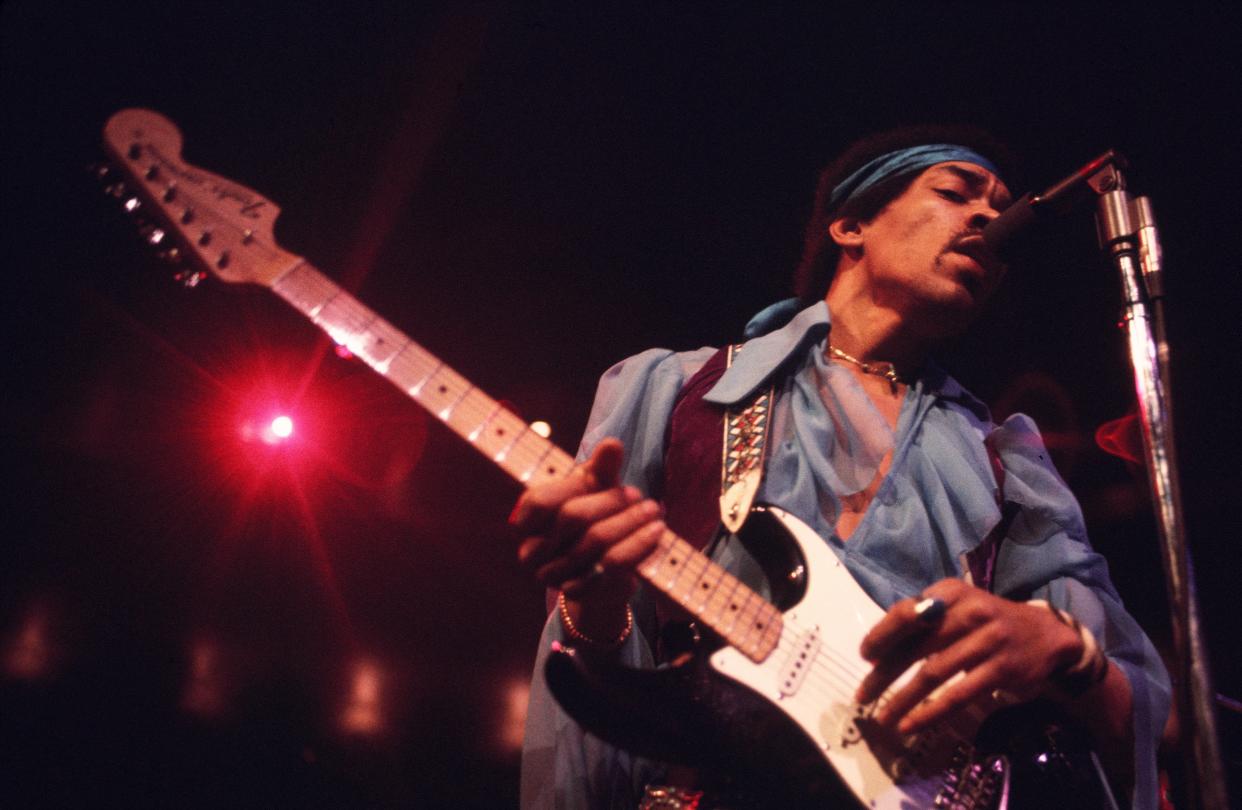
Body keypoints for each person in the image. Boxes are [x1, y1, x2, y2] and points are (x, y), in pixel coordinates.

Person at [512, 125, 1170, 809]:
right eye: (955, 192)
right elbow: (596, 670)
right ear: (850, 225)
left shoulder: (1004, 461)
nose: (988, 219)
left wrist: (1065, 646)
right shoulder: (679, 391)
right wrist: (594, 600)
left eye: (1001, 211)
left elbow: (1141, 718)